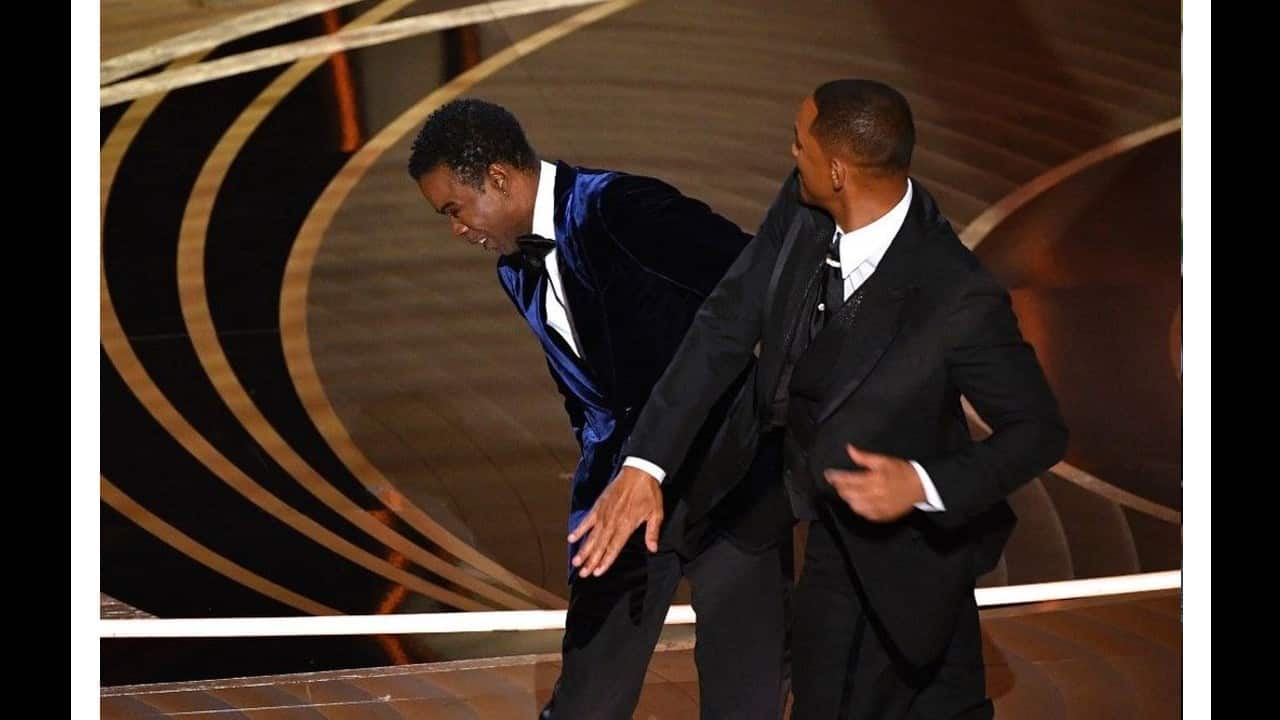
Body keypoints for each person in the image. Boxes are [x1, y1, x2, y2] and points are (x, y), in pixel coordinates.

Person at [580, 79, 1068, 718]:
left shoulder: (957, 296)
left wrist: (921, 483)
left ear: (838, 171)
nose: (791, 153)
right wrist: (646, 463)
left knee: (921, 693)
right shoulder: (803, 205)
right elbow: (726, 324)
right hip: (802, 504)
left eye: (799, 144)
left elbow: (1038, 431)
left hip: (905, 553)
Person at [408, 98, 791, 719]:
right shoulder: (516, 271)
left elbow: (758, 280)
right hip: (619, 499)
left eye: (454, 208)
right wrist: (603, 463)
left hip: (730, 478)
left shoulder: (621, 208)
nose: (456, 227)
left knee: (744, 694)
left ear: (499, 180)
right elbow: (581, 390)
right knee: (588, 695)